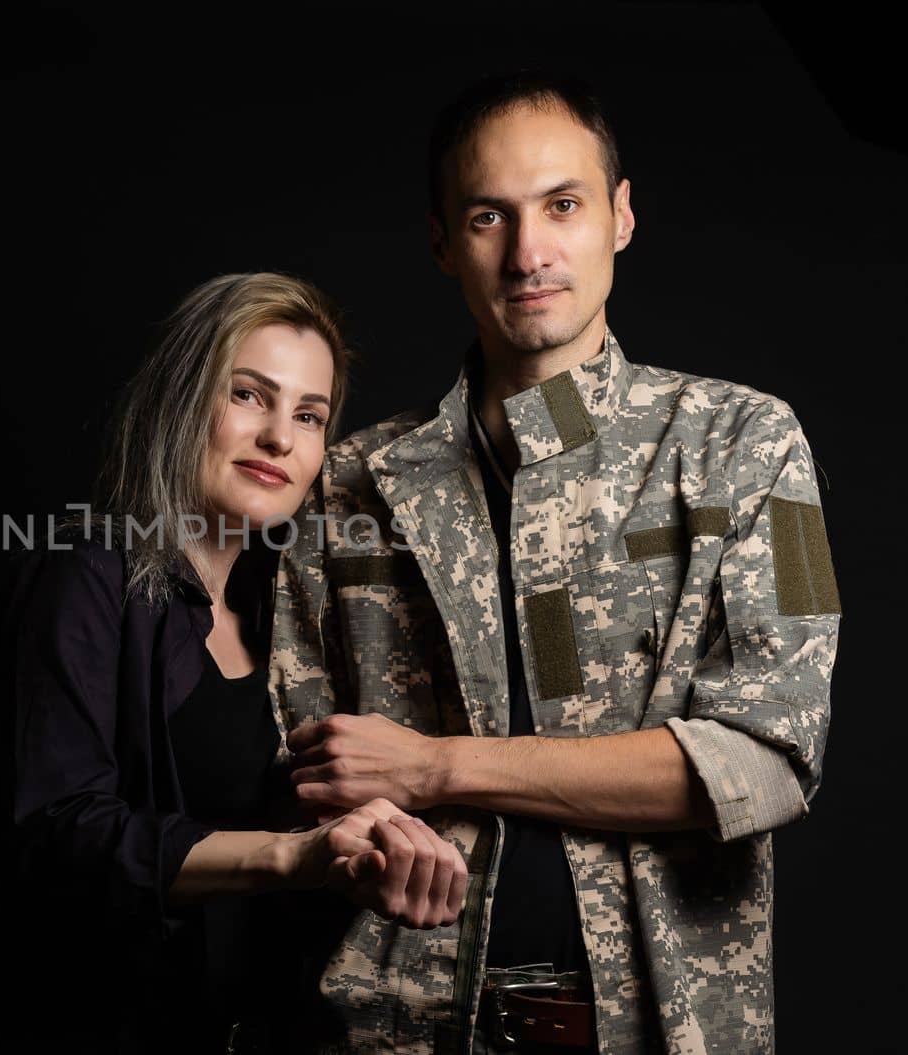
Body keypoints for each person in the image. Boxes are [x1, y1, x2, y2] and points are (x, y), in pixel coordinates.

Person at [269, 72, 842, 1053]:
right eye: (490, 216)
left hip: (655, 1028)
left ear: (619, 217)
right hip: (389, 1030)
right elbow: (302, 762)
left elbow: (767, 760)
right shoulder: (348, 483)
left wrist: (437, 764)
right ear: (444, 242)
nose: (528, 252)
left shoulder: (750, 444)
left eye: (562, 205)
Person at [0, 272, 471, 1054]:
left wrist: (366, 843)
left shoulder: (276, 615)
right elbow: (56, 831)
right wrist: (290, 857)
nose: (281, 437)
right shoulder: (88, 569)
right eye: (249, 395)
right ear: (183, 400)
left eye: (309, 415)